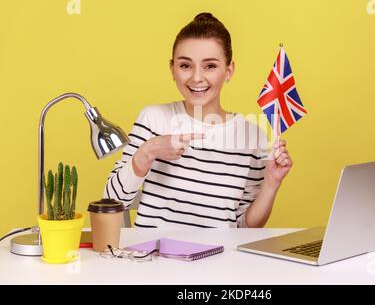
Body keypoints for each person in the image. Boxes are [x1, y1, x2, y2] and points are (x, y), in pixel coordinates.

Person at [103, 12, 293, 228]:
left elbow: (244, 228)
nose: (196, 77)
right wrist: (149, 150)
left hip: (220, 258)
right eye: (185, 66)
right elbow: (112, 202)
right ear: (172, 69)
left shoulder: (252, 136)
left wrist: (271, 183)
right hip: (155, 258)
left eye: (210, 66)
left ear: (229, 71)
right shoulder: (154, 119)